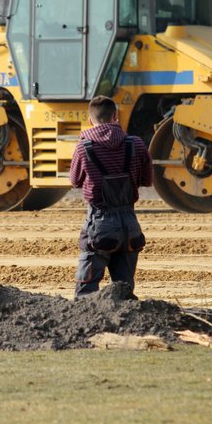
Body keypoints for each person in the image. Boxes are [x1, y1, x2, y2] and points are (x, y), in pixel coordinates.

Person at [69, 96, 153, 298]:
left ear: (90, 119)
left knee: (85, 294)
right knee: (124, 292)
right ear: (115, 116)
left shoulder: (83, 147)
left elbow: (74, 181)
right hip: (130, 226)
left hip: (100, 225)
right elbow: (147, 180)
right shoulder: (136, 144)